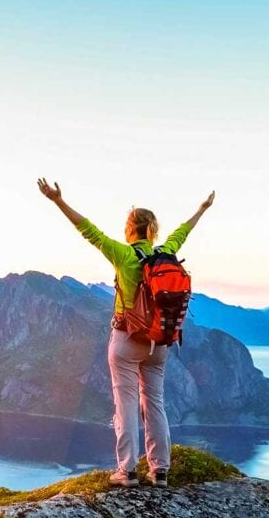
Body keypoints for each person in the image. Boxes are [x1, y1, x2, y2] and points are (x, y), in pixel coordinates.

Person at [37, 178, 215, 488]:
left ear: (130, 228)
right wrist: (201, 209)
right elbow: (181, 233)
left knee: (127, 405)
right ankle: (160, 470)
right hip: (159, 342)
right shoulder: (166, 252)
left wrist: (58, 201)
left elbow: (87, 230)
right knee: (155, 403)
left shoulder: (122, 254)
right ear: (153, 231)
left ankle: (127, 470)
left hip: (127, 339)